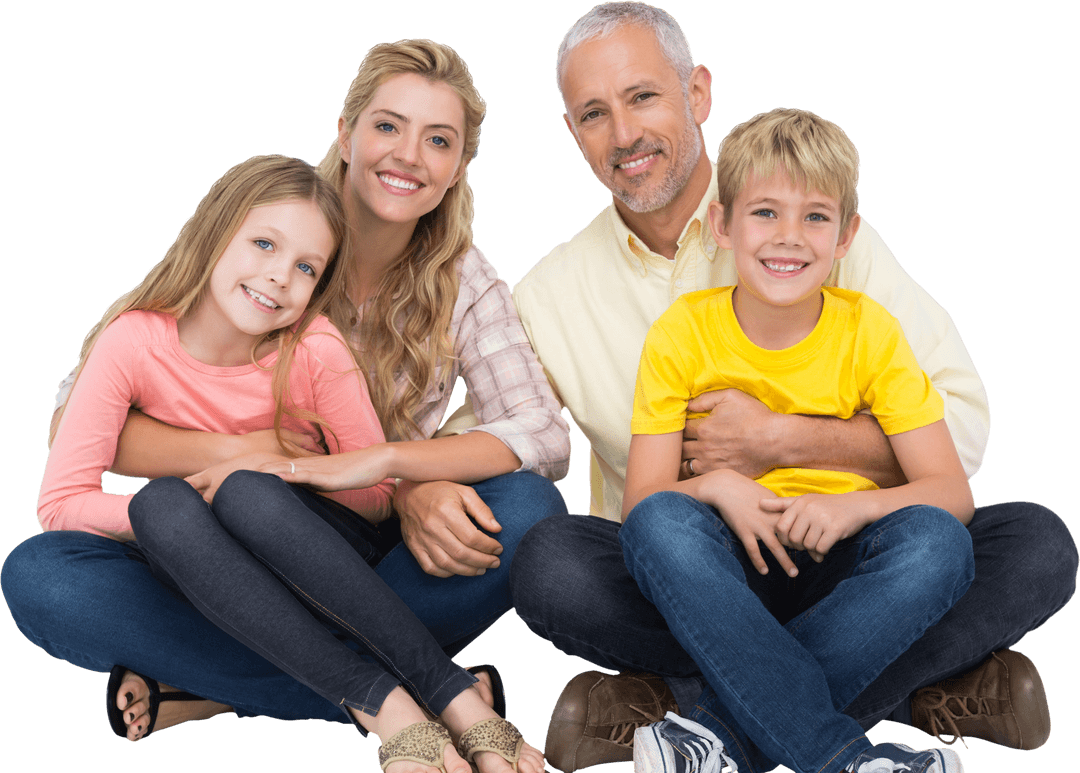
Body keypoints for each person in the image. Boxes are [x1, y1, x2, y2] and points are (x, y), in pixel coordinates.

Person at [497, 3, 1076, 771]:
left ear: (697, 94)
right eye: (594, 113)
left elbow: (961, 433)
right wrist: (424, 482)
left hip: (854, 557)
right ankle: (905, 699)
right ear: (572, 131)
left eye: (643, 97)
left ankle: (695, 722)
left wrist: (782, 438)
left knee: (1031, 544)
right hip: (685, 576)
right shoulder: (547, 293)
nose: (624, 133)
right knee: (550, 561)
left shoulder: (823, 240)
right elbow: (509, 435)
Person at [2, 40, 569, 758]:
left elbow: (542, 436)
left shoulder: (454, 284)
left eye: (439, 141)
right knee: (42, 575)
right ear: (346, 130)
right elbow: (71, 422)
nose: (408, 156)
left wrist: (405, 477)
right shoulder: (268, 219)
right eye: (387, 125)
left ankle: (211, 687)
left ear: (460, 166)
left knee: (527, 513)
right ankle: (425, 691)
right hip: (202, 546)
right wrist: (244, 456)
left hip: (358, 550)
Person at [623, 106, 975, 773]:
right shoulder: (682, 331)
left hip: (844, 563)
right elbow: (646, 503)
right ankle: (847, 757)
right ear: (723, 225)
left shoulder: (870, 331)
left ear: (846, 236)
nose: (789, 238)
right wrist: (720, 486)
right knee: (646, 529)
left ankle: (707, 739)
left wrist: (855, 506)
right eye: (764, 213)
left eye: (815, 216)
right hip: (723, 569)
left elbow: (950, 491)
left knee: (947, 543)